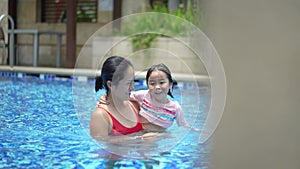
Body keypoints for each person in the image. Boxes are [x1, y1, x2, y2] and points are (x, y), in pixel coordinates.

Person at [90, 56, 160, 143]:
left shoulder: (135, 105)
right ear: (110, 84)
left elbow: (153, 127)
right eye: (128, 83)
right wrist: (140, 138)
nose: (132, 87)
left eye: (133, 81)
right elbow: (101, 145)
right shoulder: (101, 116)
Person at [130, 63, 199, 132]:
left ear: (170, 85)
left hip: (158, 135)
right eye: (152, 83)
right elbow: (127, 96)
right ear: (147, 85)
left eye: (162, 82)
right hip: (140, 131)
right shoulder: (145, 95)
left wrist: (195, 130)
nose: (157, 87)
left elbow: (183, 124)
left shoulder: (175, 108)